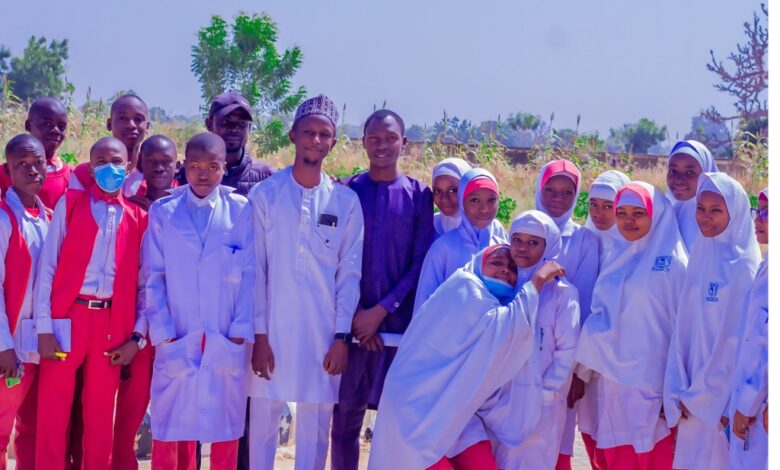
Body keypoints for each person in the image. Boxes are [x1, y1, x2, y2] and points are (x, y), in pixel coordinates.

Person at [369, 244, 564, 469]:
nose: (505, 270)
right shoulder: (465, 286)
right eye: (496, 263)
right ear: (479, 265)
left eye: (512, 268)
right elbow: (508, 329)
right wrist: (538, 280)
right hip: (417, 411)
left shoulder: (491, 302)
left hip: (455, 409)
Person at [247, 95, 364, 470]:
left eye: (324, 134)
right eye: (309, 132)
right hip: (272, 333)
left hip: (322, 335)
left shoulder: (345, 202)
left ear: (332, 142)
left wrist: (341, 337)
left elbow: (349, 275)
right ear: (293, 134)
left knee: (315, 432)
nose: (315, 140)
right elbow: (257, 270)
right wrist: (259, 336)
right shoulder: (265, 195)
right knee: (263, 426)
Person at [331, 109, 435, 470]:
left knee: (394, 424)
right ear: (363, 143)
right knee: (344, 422)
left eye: (390, 138)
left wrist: (381, 311)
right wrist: (358, 318)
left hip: (396, 330)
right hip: (351, 329)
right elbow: (335, 259)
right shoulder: (344, 191)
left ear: (403, 143)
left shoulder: (419, 195)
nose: (382, 145)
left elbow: (419, 263)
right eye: (374, 138)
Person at [34, 137, 146, 469]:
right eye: (99, 161)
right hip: (68, 319)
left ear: (127, 168)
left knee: (99, 415)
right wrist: (44, 326)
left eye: (115, 161)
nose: (107, 167)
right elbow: (48, 267)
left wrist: (137, 338)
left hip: (110, 324)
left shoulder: (139, 218)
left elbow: (144, 286)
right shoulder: (72, 205)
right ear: (90, 166)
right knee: (53, 411)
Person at [143, 132, 252, 470]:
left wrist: (238, 332)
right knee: (172, 429)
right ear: (183, 167)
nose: (203, 174)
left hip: (225, 335)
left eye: (213, 167)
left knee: (224, 433)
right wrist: (163, 332)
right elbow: (153, 276)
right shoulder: (164, 212)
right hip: (178, 331)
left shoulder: (241, 210)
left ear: (224, 168)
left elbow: (251, 275)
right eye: (195, 166)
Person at [575, 181, 688, 469]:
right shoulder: (617, 256)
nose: (628, 220)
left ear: (656, 214)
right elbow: (601, 316)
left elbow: (682, 331)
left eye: (638, 213)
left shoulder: (674, 264)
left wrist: (672, 389)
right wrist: (582, 370)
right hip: (610, 382)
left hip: (651, 384)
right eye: (621, 212)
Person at [664, 173, 761, 470]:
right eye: (700, 208)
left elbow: (735, 342)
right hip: (689, 391)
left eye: (716, 210)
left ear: (736, 213)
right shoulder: (702, 253)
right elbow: (684, 326)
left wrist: (708, 399)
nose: (705, 218)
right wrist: (679, 385)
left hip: (716, 403)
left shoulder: (743, 266)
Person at [492, 210, 580, 469]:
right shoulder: (500, 285)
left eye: (533, 242)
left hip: (541, 405)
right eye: (517, 240)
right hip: (499, 401)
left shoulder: (564, 293)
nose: (523, 248)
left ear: (548, 245)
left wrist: (545, 394)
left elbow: (567, 350)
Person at [111, 135, 178, 470]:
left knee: (177, 420)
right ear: (139, 166)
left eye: (166, 162)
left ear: (177, 165)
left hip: (177, 327)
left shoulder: (186, 209)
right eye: (151, 162)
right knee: (129, 415)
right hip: (138, 327)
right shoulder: (129, 209)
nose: (159, 167)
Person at [532, 159, 599, 468]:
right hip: (524, 353)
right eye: (550, 189)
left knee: (557, 437)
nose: (558, 198)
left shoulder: (584, 240)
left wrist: (575, 371)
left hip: (562, 362)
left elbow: (583, 304)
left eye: (567, 192)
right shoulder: (526, 228)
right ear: (538, 189)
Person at [0, 135, 50, 470]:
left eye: (37, 163)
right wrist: (3, 346)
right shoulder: (4, 219)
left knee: (32, 431)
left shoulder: (45, 217)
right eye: (22, 165)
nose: (31, 170)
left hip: (35, 349)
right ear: (8, 170)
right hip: (10, 349)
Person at [414, 168, 506, 313]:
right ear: (462, 203)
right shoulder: (443, 248)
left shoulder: (502, 248)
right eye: (475, 200)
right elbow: (423, 305)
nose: (484, 209)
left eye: (491, 200)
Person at [728, 188, 768, 470]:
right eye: (759, 211)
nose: (759, 219)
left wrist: (748, 404)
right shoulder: (767, 266)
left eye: (768, 213)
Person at [176, 91, 274, 196]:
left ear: (249, 128)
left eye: (242, 123)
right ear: (209, 124)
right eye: (226, 122)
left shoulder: (266, 178)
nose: (234, 129)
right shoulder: (184, 175)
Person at [0, 98, 71, 209]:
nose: (56, 130)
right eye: (47, 123)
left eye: (62, 127)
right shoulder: (5, 173)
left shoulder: (71, 176)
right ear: (28, 125)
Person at [665, 140, 718, 252]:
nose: (679, 180)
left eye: (690, 173)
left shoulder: (721, 217)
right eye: (673, 171)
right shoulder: (666, 214)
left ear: (706, 173)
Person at [583, 170, 630, 265]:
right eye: (593, 204)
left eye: (608, 206)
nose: (598, 214)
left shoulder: (632, 249)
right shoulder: (582, 242)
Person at [430, 157, 472, 236]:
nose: (444, 199)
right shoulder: (428, 227)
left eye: (452, 191)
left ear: (467, 189)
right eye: (437, 191)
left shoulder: (485, 230)